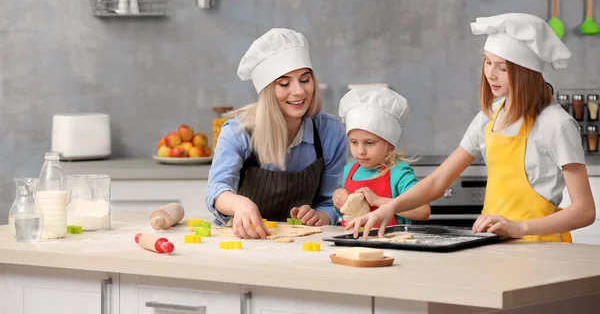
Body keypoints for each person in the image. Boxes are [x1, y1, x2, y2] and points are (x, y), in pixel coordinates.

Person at [348, 13, 596, 242]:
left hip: (541, 247)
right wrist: (390, 207)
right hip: (495, 245)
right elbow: (437, 182)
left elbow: (585, 210)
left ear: (526, 72)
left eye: (502, 67)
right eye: (487, 62)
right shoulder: (489, 118)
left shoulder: (556, 124)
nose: (491, 74)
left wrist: (520, 228)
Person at [206, 28, 348, 239]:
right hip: (246, 240)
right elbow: (217, 189)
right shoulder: (239, 132)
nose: (299, 91)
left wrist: (319, 216)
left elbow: (330, 202)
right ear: (267, 90)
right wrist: (239, 204)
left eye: (305, 79)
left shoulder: (331, 131)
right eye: (284, 83)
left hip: (304, 243)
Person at [332, 87, 430, 226]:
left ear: (390, 144)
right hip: (353, 245)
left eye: (369, 143)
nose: (360, 151)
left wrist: (378, 200)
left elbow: (423, 211)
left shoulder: (398, 172)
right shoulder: (350, 171)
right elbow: (345, 215)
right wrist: (339, 202)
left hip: (392, 244)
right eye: (354, 142)